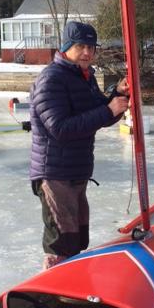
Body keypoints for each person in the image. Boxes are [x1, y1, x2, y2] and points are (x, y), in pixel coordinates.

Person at [29, 20, 129, 269]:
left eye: (91, 47)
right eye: (80, 46)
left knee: (78, 238)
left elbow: (99, 114)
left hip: (76, 171)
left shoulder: (84, 76)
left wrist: (118, 95)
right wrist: (108, 110)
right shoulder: (51, 79)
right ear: (66, 47)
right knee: (62, 243)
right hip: (55, 174)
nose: (87, 52)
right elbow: (60, 129)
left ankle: (73, 281)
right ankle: (54, 286)